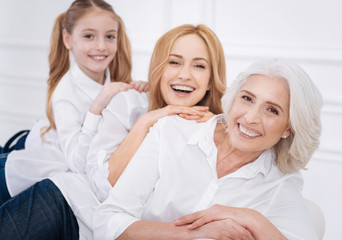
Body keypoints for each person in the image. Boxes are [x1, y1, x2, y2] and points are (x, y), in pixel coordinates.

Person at [0, 23, 227, 240]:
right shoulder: (131, 104)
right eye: (174, 62)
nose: (184, 75)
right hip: (69, 201)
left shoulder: (219, 131)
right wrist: (145, 122)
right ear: (159, 67)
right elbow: (101, 187)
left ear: (210, 80)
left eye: (199, 66)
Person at [93, 59, 323, 240]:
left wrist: (251, 218)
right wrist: (192, 233)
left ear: (288, 128)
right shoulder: (171, 132)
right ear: (233, 99)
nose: (251, 117)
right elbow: (108, 220)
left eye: (272, 110)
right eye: (247, 98)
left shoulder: (280, 182)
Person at [0, 0, 147, 205]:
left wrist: (141, 94)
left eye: (110, 36)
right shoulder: (65, 94)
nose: (101, 46)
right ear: (68, 39)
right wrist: (96, 109)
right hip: (46, 158)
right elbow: (78, 164)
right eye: (89, 36)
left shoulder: (114, 75)